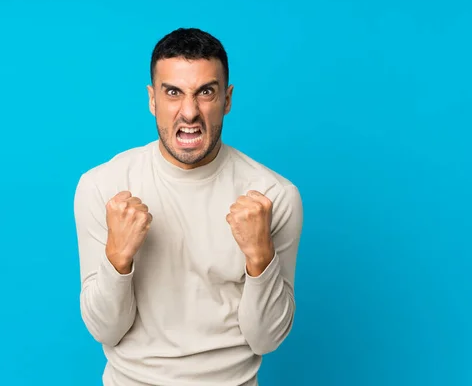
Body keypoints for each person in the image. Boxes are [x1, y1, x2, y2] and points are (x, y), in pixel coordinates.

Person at [73, 27, 303, 386]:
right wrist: (118, 258)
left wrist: (261, 258)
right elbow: (105, 330)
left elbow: (267, 339)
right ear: (152, 99)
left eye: (206, 92)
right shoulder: (102, 186)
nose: (190, 112)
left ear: (227, 100)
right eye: (173, 93)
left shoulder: (274, 195)